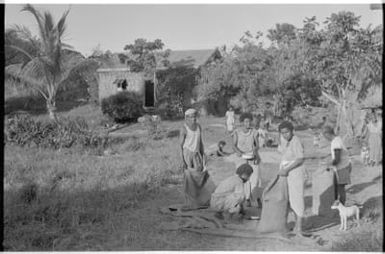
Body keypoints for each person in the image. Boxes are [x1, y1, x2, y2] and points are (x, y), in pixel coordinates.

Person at [277, 121, 307, 237]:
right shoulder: (286, 141)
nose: (285, 135)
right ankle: (296, 226)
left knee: (297, 199)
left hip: (296, 172)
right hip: (288, 173)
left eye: (287, 132)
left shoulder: (296, 141)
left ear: (292, 131)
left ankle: (299, 228)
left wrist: (287, 169)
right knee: (291, 200)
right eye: (282, 133)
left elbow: (300, 159)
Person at [180, 108, 213, 208]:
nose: (194, 118)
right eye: (192, 117)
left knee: (199, 174)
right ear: (187, 118)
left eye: (195, 116)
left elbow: (200, 142)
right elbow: (180, 146)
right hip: (187, 154)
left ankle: (198, 200)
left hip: (197, 153)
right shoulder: (184, 128)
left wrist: (203, 155)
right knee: (189, 177)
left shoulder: (198, 127)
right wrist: (183, 161)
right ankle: (190, 202)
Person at [231, 112, 262, 207]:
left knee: (255, 178)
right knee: (242, 177)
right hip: (241, 157)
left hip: (251, 156)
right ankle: (245, 199)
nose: (248, 123)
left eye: (249, 121)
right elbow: (233, 145)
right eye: (246, 122)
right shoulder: (237, 132)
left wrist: (255, 153)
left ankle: (256, 198)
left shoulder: (254, 132)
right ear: (242, 122)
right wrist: (238, 151)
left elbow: (257, 145)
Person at [321, 125, 352, 205]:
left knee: (341, 188)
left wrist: (328, 164)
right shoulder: (337, 139)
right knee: (337, 186)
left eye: (324, 136)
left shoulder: (336, 142)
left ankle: (342, 206)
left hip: (342, 167)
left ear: (327, 134)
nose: (325, 138)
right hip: (343, 166)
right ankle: (338, 204)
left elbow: (337, 159)